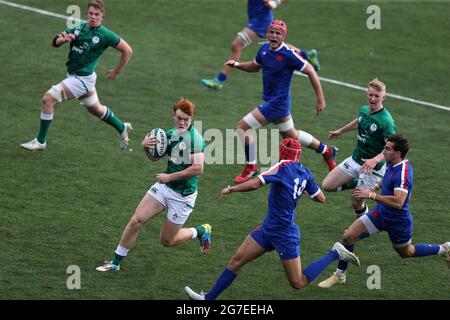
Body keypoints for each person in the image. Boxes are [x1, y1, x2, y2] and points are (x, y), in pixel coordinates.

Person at [184, 138, 360, 300]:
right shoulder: (305, 173)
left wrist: (232, 189)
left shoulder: (281, 166)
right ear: (299, 155)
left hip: (284, 233)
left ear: (282, 152)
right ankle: (209, 298)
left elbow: (255, 183)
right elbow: (321, 198)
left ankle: (335, 253)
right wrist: (302, 190)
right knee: (237, 260)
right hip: (268, 228)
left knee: (298, 282)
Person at [318, 134, 450, 288]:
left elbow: (399, 202)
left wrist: (372, 195)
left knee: (406, 252)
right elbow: (386, 177)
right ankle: (340, 275)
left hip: (398, 221)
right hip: (380, 214)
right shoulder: (391, 163)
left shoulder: (403, 173)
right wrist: (374, 187)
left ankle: (444, 249)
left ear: (398, 153)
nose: (383, 152)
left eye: (387, 149)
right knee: (348, 236)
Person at [96, 98, 212, 272]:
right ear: (173, 115)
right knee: (136, 221)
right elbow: (154, 158)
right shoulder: (170, 134)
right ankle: (115, 262)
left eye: (186, 119)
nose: (182, 122)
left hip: (183, 196)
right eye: (179, 118)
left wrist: (170, 176)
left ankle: (200, 231)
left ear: (191, 118)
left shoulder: (195, 139)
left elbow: (198, 169)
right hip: (165, 187)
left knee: (167, 241)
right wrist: (144, 147)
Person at [224, 20, 336, 184]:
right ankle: (327, 151)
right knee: (292, 136)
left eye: (278, 33)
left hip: (277, 103)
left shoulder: (288, 54)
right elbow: (255, 67)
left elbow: (311, 70)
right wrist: (237, 64)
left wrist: (320, 98)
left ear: (283, 36)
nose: (274, 36)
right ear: (268, 33)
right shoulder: (263, 49)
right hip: (274, 102)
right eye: (272, 32)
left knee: (243, 127)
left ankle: (251, 167)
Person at [21, 0, 133, 151]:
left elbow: (127, 50)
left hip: (82, 79)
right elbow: (54, 41)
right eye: (91, 14)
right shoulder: (77, 27)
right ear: (87, 14)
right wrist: (63, 39)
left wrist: (116, 71)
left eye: (97, 14)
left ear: (102, 17)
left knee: (48, 99)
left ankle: (40, 142)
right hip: (75, 76)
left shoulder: (105, 34)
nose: (93, 17)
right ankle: (122, 127)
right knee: (96, 110)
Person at [201, 0, 320, 91]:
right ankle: (306, 54)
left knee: (236, 45)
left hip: (261, 19)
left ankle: (219, 80)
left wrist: (275, 2)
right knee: (274, 44)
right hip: (256, 16)